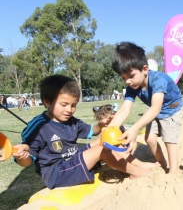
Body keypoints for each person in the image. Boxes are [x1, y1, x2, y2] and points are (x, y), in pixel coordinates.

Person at [12, 75, 157, 189]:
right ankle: (137, 172)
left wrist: (101, 125)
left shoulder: (71, 120)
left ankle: (140, 165)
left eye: (73, 105)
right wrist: (22, 155)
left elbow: (91, 132)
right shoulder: (38, 126)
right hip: (57, 173)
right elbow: (26, 162)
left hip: (72, 160)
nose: (69, 109)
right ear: (47, 102)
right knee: (103, 149)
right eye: (64, 104)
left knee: (104, 142)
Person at [108, 42, 183, 175]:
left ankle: (173, 171)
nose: (127, 81)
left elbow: (155, 107)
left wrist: (135, 129)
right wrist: (110, 128)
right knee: (149, 139)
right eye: (123, 78)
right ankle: (162, 163)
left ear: (145, 69)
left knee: (169, 140)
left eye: (131, 76)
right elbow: (125, 109)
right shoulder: (132, 87)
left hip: (172, 109)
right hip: (156, 110)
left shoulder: (158, 80)